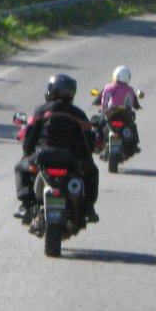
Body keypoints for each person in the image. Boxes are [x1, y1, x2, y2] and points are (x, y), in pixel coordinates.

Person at [14, 73, 100, 226]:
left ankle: (26, 206)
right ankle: (88, 208)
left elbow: (29, 141)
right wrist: (86, 157)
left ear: (51, 90)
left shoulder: (40, 111)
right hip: (71, 159)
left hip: (43, 156)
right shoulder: (78, 114)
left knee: (20, 168)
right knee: (92, 171)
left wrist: (28, 153)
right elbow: (89, 143)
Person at [98, 65, 141, 153]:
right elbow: (133, 102)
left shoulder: (108, 87)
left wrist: (102, 107)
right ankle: (135, 145)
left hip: (110, 113)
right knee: (132, 125)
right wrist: (137, 106)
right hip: (124, 114)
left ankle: (98, 143)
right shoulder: (130, 89)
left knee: (99, 123)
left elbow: (103, 100)